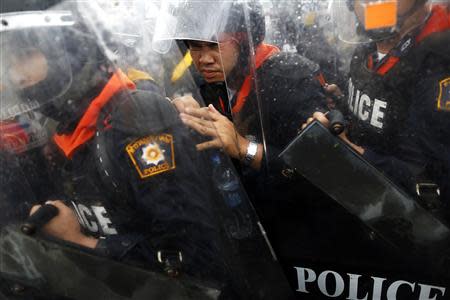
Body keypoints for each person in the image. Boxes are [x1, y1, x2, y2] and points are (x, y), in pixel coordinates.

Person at [0, 0, 234, 293]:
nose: (15, 75)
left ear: (67, 48)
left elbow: (197, 262)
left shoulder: (136, 120)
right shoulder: (62, 131)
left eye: (25, 56)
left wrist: (82, 243)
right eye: (9, 63)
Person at [303, 0, 449, 216]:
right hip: (366, 200)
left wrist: (350, 152)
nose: (374, 4)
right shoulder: (369, 49)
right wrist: (341, 104)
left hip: (411, 222)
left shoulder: (438, 65)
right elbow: (386, 114)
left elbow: (438, 183)